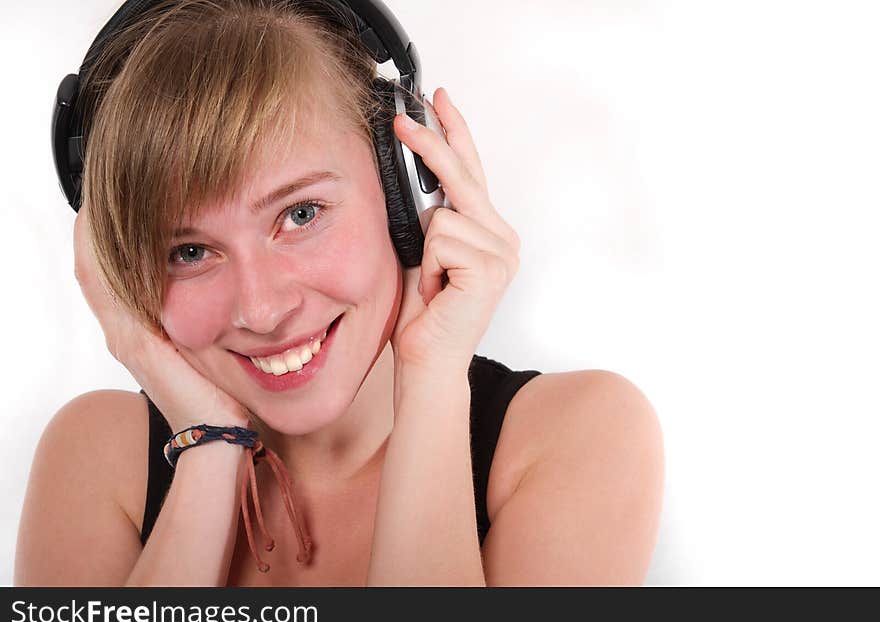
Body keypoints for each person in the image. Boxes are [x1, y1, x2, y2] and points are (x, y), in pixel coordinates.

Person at [15, 0, 664, 586]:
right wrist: (210, 450)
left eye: (300, 214)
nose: (262, 309)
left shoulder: (577, 435)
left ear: (409, 186)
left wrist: (430, 380)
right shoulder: (97, 458)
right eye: (190, 251)